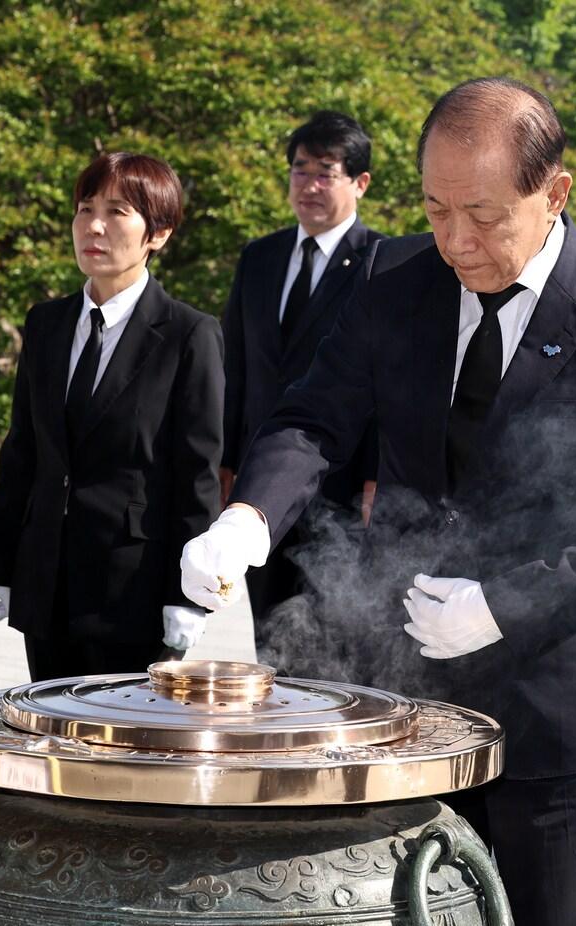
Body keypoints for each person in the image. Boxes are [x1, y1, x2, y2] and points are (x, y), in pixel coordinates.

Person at [179, 77, 576, 926]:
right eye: (434, 211)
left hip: (554, 709)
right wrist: (250, 518)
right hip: (412, 701)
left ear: (553, 193)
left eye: (485, 217)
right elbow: (313, 418)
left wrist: (505, 604)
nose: (456, 241)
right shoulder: (395, 284)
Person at [0, 152, 223, 681]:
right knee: (50, 745)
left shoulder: (188, 335)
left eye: (117, 212)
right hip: (46, 585)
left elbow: (196, 477)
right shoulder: (45, 324)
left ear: (159, 233)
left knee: (129, 754)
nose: (94, 226)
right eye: (85, 208)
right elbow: (22, 454)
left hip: (133, 592)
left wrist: (190, 599)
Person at [219, 111, 384, 669]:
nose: (309, 186)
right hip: (260, 486)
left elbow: (390, 382)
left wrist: (375, 473)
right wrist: (227, 463)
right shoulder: (258, 258)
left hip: (340, 488)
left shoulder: (383, 263)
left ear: (360, 182)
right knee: (270, 639)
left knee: (332, 643)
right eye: (300, 170)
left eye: (326, 173)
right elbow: (236, 367)